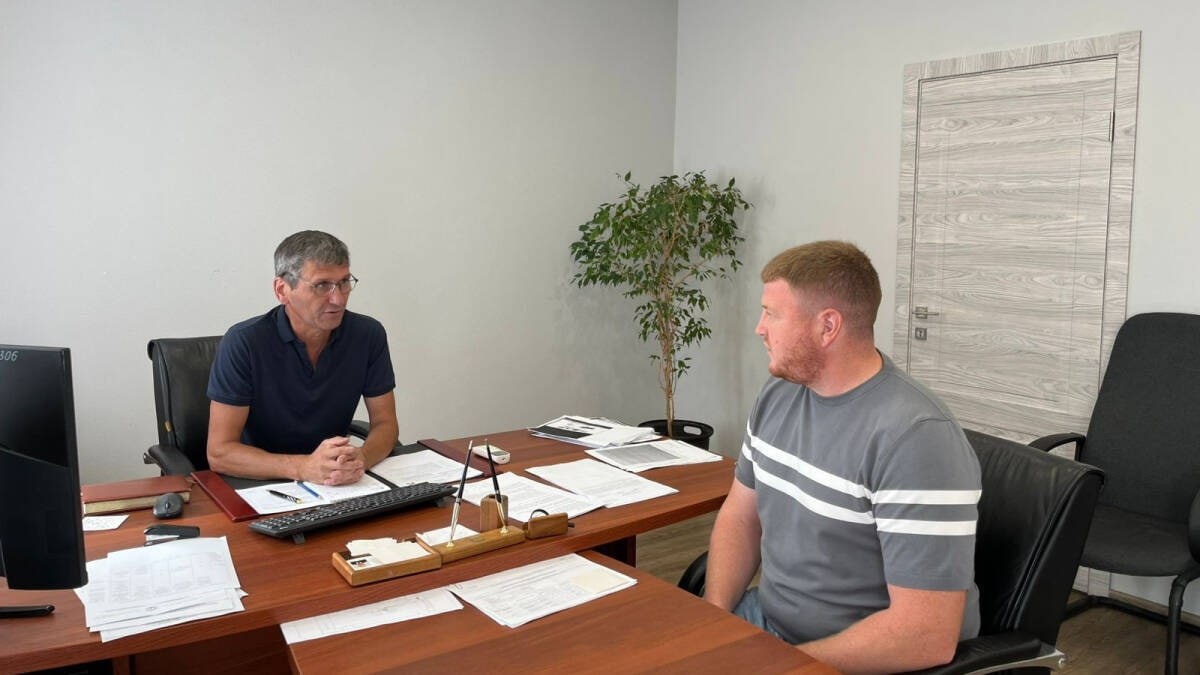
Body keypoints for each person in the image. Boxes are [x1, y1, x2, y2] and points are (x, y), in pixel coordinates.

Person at [704, 240, 981, 674]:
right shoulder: (778, 395)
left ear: (827, 326)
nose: (760, 328)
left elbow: (925, 634)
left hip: (851, 657)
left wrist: (785, 666)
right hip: (770, 625)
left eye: (772, 314)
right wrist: (713, 618)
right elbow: (741, 517)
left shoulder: (915, 439)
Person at [206, 230, 399, 486]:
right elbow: (219, 453)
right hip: (260, 483)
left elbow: (386, 424)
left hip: (334, 483)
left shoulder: (368, 334)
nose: (338, 299)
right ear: (282, 290)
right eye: (322, 285)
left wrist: (361, 459)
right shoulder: (244, 342)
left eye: (344, 282)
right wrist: (304, 467)